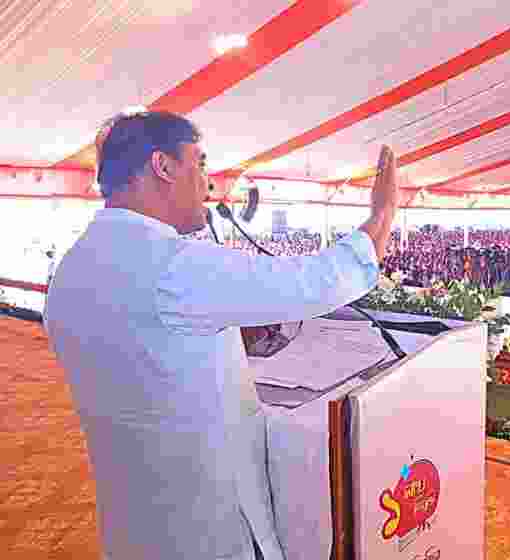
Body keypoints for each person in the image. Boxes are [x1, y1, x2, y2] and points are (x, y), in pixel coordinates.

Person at [44, 111, 400, 560]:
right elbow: (316, 281)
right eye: (201, 164)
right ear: (163, 167)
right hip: (209, 530)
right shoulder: (173, 264)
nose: (209, 184)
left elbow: (148, 356)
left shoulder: (69, 274)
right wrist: (383, 215)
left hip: (132, 529)